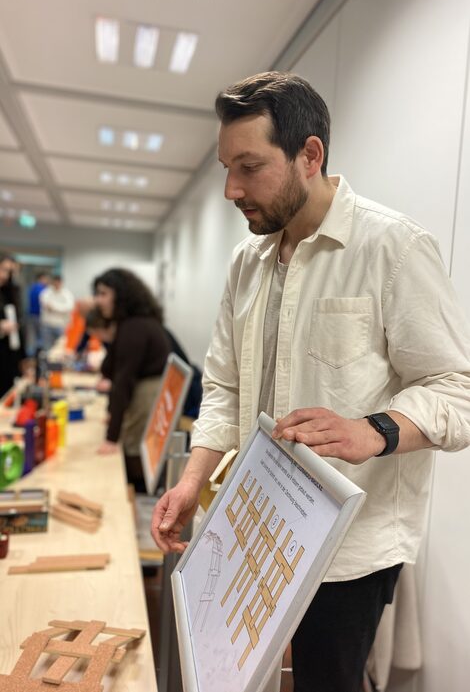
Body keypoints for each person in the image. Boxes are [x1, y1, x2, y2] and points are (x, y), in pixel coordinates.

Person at [151, 72, 470, 692]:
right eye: (227, 168)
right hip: (253, 524)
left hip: (347, 553)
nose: (231, 189)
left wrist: (373, 430)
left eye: (250, 167)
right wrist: (192, 480)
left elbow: (456, 389)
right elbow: (224, 387)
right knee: (236, 674)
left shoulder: (394, 248)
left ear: (310, 154)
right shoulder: (247, 263)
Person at [93, 268, 170, 492]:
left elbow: (122, 382)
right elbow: (113, 369)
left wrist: (111, 438)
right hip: (144, 389)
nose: (98, 301)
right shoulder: (130, 323)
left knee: (134, 451)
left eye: (103, 294)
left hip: (147, 393)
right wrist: (112, 414)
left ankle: (137, 492)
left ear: (120, 295)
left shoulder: (134, 327)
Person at [0, 252, 26, 397]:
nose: (5, 275)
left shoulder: (10, 292)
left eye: (9, 272)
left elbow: (19, 326)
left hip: (9, 354)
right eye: (2, 269)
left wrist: (22, 358)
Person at [39, 274, 74, 351]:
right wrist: (60, 308)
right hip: (47, 324)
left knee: (61, 348)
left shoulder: (67, 294)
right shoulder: (46, 292)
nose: (57, 284)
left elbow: (69, 307)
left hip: (61, 325)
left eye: (59, 282)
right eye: (55, 282)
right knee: (47, 348)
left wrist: (54, 307)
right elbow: (45, 304)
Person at [27, 271, 49, 356]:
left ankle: (33, 352)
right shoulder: (42, 289)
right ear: (41, 278)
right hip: (39, 315)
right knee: (40, 335)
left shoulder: (32, 288)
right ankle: (38, 352)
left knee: (34, 335)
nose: (46, 281)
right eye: (45, 279)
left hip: (32, 314)